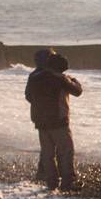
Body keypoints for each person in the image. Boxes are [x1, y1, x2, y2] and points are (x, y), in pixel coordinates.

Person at [25, 49, 83, 191]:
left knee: (47, 153)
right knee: (66, 151)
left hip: (40, 121)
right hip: (58, 120)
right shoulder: (59, 78)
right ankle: (68, 182)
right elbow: (77, 91)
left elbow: (28, 96)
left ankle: (51, 183)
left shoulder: (33, 76)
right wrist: (74, 80)